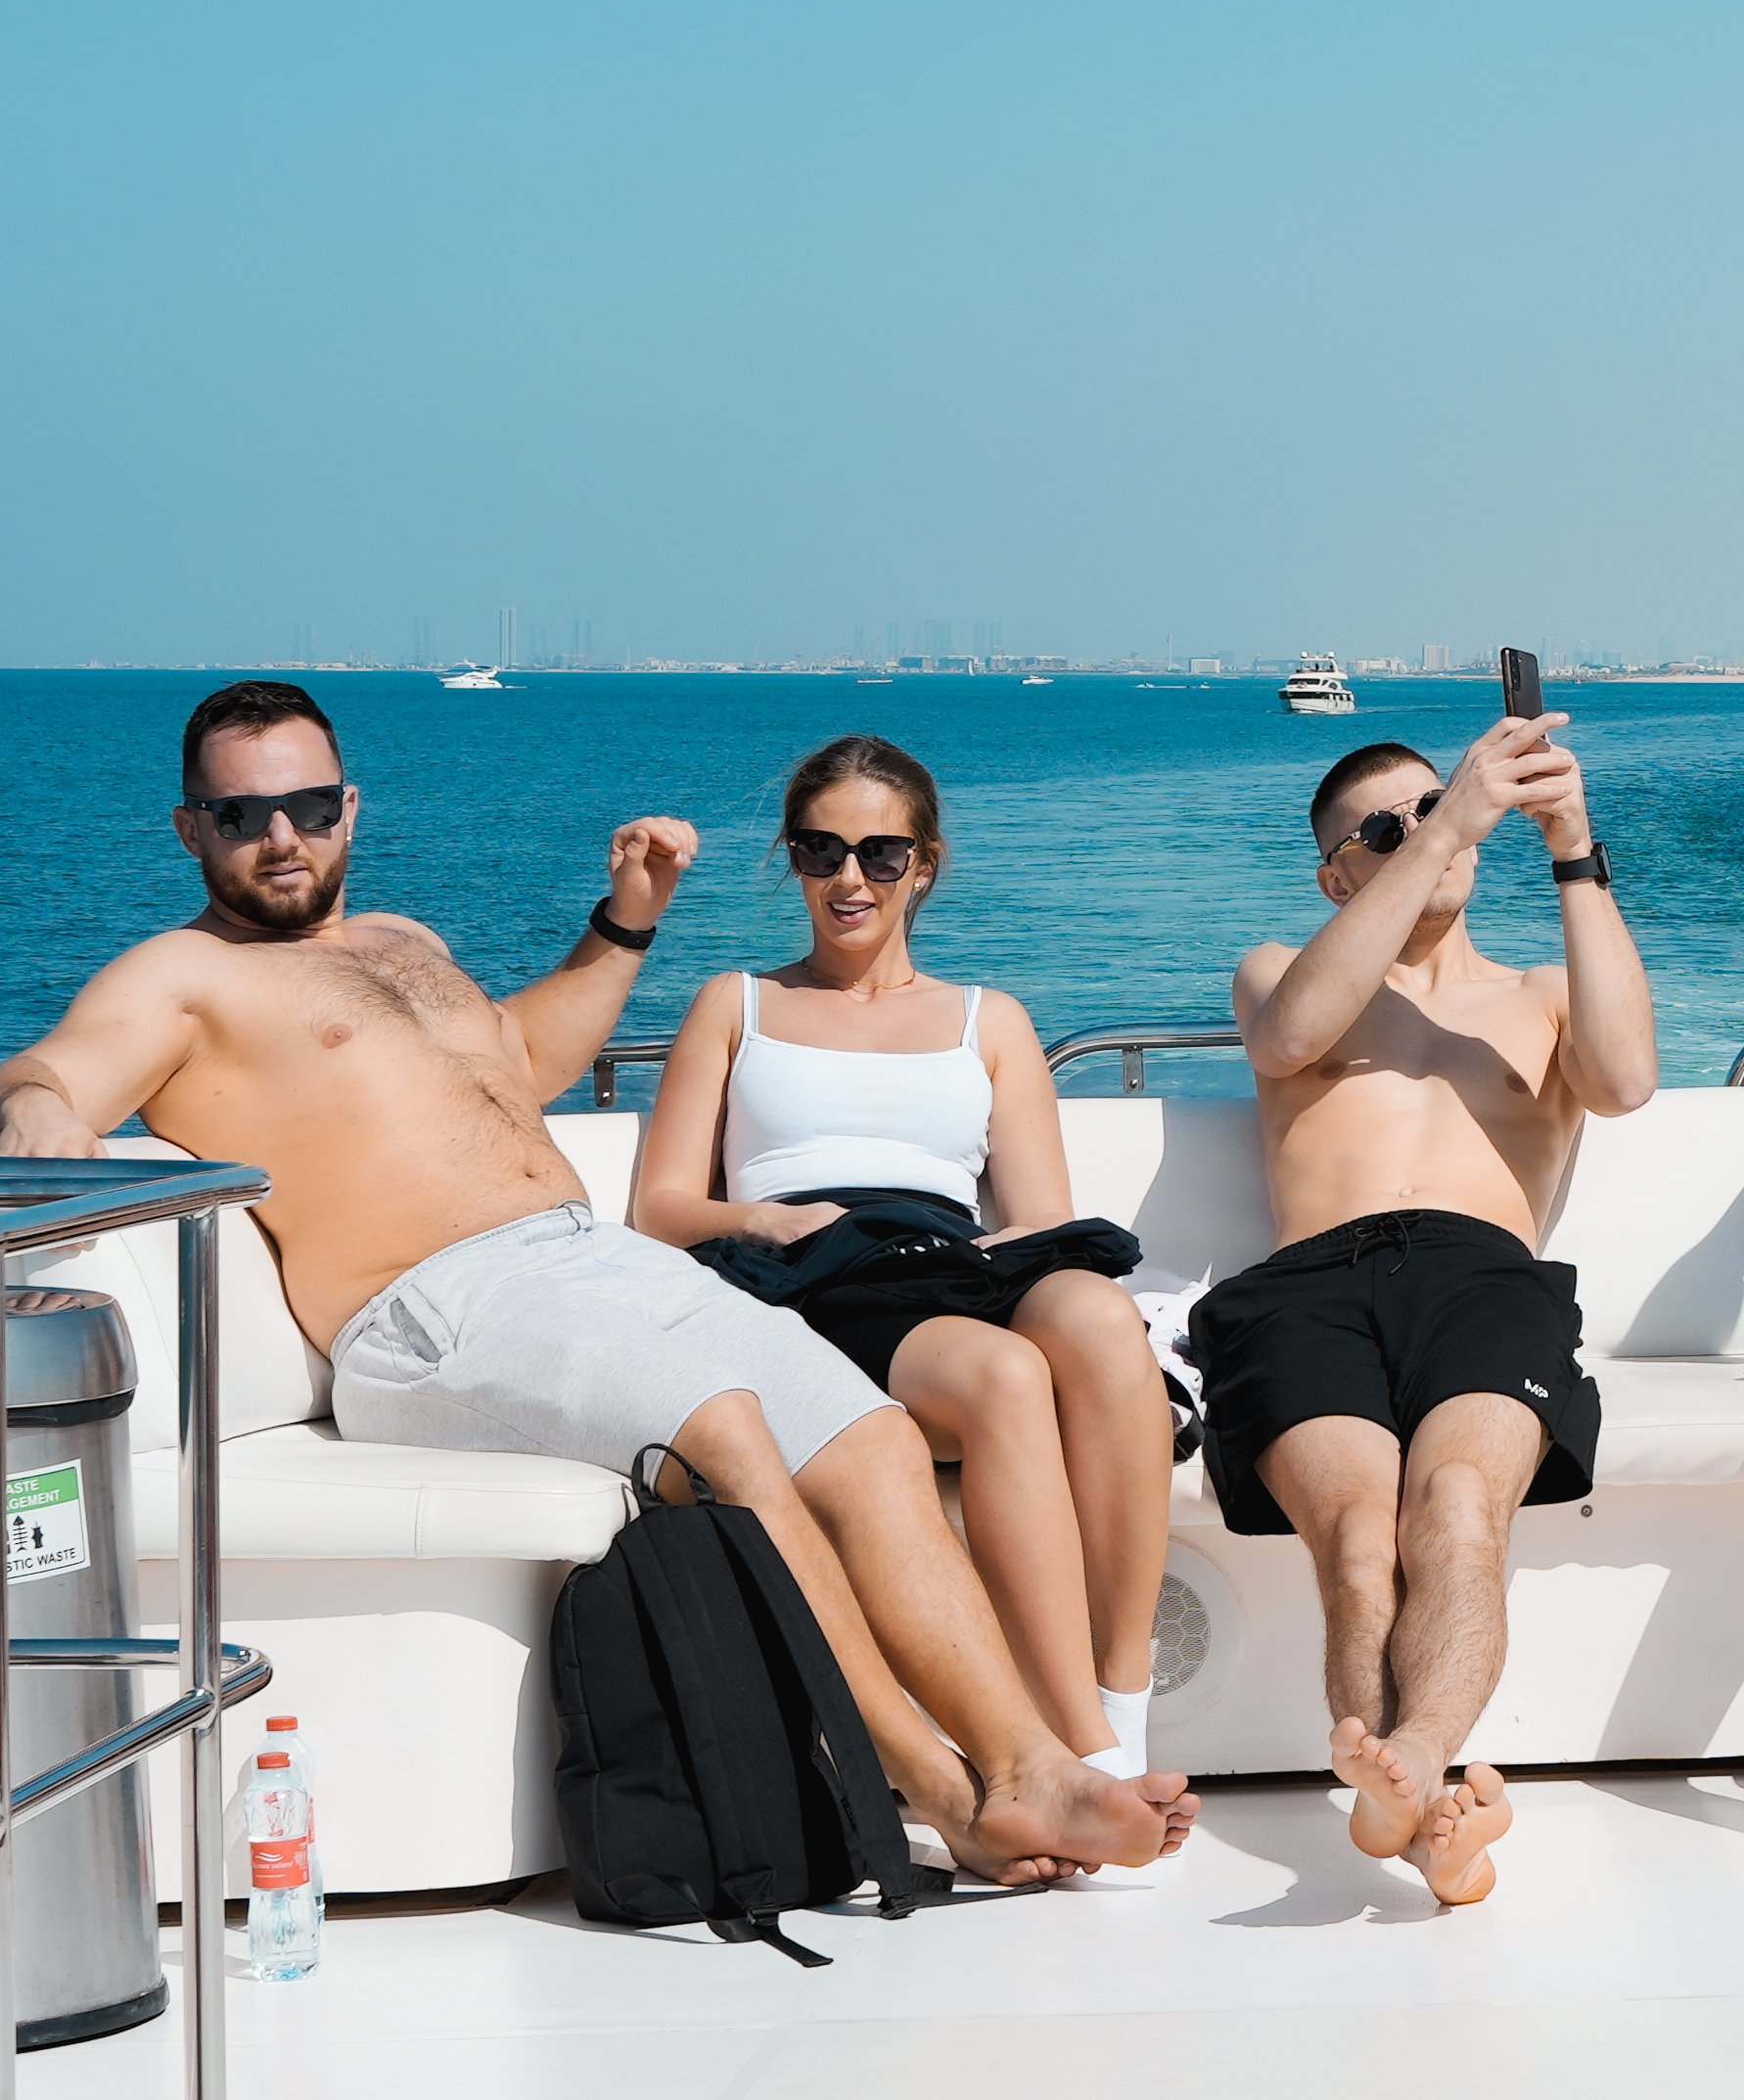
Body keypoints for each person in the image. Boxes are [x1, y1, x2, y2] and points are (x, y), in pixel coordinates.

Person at [0, 682, 1178, 1884]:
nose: (281, 837)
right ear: (189, 827)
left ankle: (1034, 1763)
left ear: (347, 804)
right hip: (430, 1312)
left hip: (589, 1261)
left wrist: (625, 923)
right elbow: (49, 1070)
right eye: (242, 813)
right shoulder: (183, 975)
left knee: (870, 1438)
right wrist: (42, 1111)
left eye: (306, 804)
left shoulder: (408, 945)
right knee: (727, 1431)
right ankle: (940, 1792)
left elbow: (521, 1056)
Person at [627, 735, 1176, 1820]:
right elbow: (658, 1207)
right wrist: (766, 1216)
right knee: (1006, 1376)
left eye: (880, 855)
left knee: (1102, 1320)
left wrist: (1005, 1257)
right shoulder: (734, 1005)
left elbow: (1039, 1215)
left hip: (954, 1257)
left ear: (924, 865)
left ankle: (1128, 1688)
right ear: (791, 860)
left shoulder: (990, 1020)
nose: (848, 879)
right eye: (820, 851)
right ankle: (1086, 1751)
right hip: (817, 1264)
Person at [1213, 708, 1654, 1907]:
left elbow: (1625, 1084)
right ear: (1336, 870)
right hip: (1308, 1284)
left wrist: (1568, 838)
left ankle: (1402, 1779)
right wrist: (1449, 816)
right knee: (1359, 1539)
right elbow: (1293, 1032)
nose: (1425, 829)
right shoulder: (1278, 970)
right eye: (1386, 824)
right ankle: (1425, 1817)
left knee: (1454, 1508)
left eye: (1439, 805)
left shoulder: (1544, 990)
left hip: (1483, 1274)